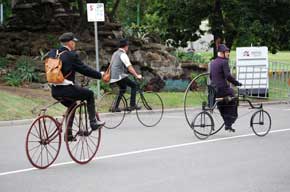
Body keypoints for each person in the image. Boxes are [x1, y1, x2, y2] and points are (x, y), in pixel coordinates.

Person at [47, 32, 105, 141]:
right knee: (89, 94)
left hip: (55, 91)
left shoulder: (53, 53)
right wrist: (100, 75)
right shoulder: (71, 55)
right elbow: (84, 69)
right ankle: (93, 122)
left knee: (72, 105)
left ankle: (68, 135)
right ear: (70, 43)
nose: (75, 44)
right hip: (67, 90)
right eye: (74, 42)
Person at [209, 44, 242, 132]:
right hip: (222, 89)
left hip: (214, 90)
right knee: (234, 97)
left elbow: (211, 76)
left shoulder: (213, 62)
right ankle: (229, 121)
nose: (228, 54)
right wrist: (237, 83)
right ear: (222, 53)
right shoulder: (224, 62)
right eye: (227, 52)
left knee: (222, 102)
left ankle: (227, 123)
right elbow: (228, 76)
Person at [109, 39, 142, 112]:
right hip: (119, 76)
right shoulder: (123, 54)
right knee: (134, 85)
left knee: (123, 88)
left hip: (113, 76)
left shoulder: (115, 53)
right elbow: (130, 68)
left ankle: (115, 107)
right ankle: (132, 105)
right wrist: (137, 75)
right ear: (126, 46)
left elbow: (112, 65)